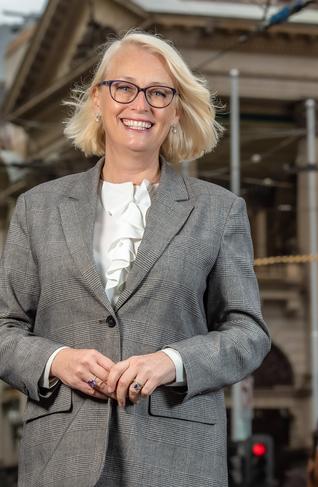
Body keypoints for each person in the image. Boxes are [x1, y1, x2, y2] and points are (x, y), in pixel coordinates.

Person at [0, 30, 271, 487]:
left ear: (176, 110)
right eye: (124, 87)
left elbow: (249, 334)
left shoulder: (219, 210)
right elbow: (4, 328)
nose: (140, 105)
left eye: (159, 93)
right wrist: (56, 360)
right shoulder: (37, 208)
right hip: (62, 461)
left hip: (178, 461)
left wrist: (173, 361)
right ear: (98, 100)